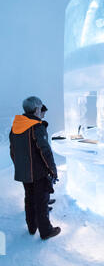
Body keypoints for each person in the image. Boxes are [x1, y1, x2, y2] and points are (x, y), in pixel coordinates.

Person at [9, 96, 61, 240]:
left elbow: (12, 151)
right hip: (38, 172)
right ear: (37, 109)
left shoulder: (16, 126)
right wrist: (53, 170)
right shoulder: (36, 127)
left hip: (25, 172)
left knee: (29, 199)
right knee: (41, 201)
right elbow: (45, 151)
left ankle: (32, 227)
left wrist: (21, 167)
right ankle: (46, 231)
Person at [40, 104, 56, 210]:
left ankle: (45, 201)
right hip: (41, 163)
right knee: (42, 186)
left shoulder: (41, 124)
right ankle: (43, 205)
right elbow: (43, 148)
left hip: (42, 162)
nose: (44, 115)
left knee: (45, 184)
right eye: (43, 112)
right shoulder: (37, 127)